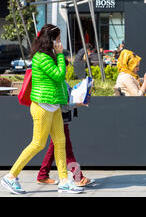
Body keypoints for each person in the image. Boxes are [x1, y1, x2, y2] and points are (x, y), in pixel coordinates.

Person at [1, 24, 84, 194]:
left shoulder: (49, 56)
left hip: (53, 105)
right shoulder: (41, 57)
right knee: (38, 143)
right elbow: (59, 75)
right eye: (58, 39)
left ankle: (64, 181)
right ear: (51, 40)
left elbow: (59, 79)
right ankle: (10, 176)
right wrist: (61, 55)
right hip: (42, 106)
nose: (60, 42)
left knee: (60, 142)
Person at [37, 59, 94, 187]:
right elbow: (64, 106)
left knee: (54, 148)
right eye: (65, 67)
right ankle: (78, 177)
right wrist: (79, 103)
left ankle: (42, 175)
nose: (66, 70)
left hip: (61, 120)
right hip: (60, 120)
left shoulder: (60, 82)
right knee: (66, 149)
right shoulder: (59, 82)